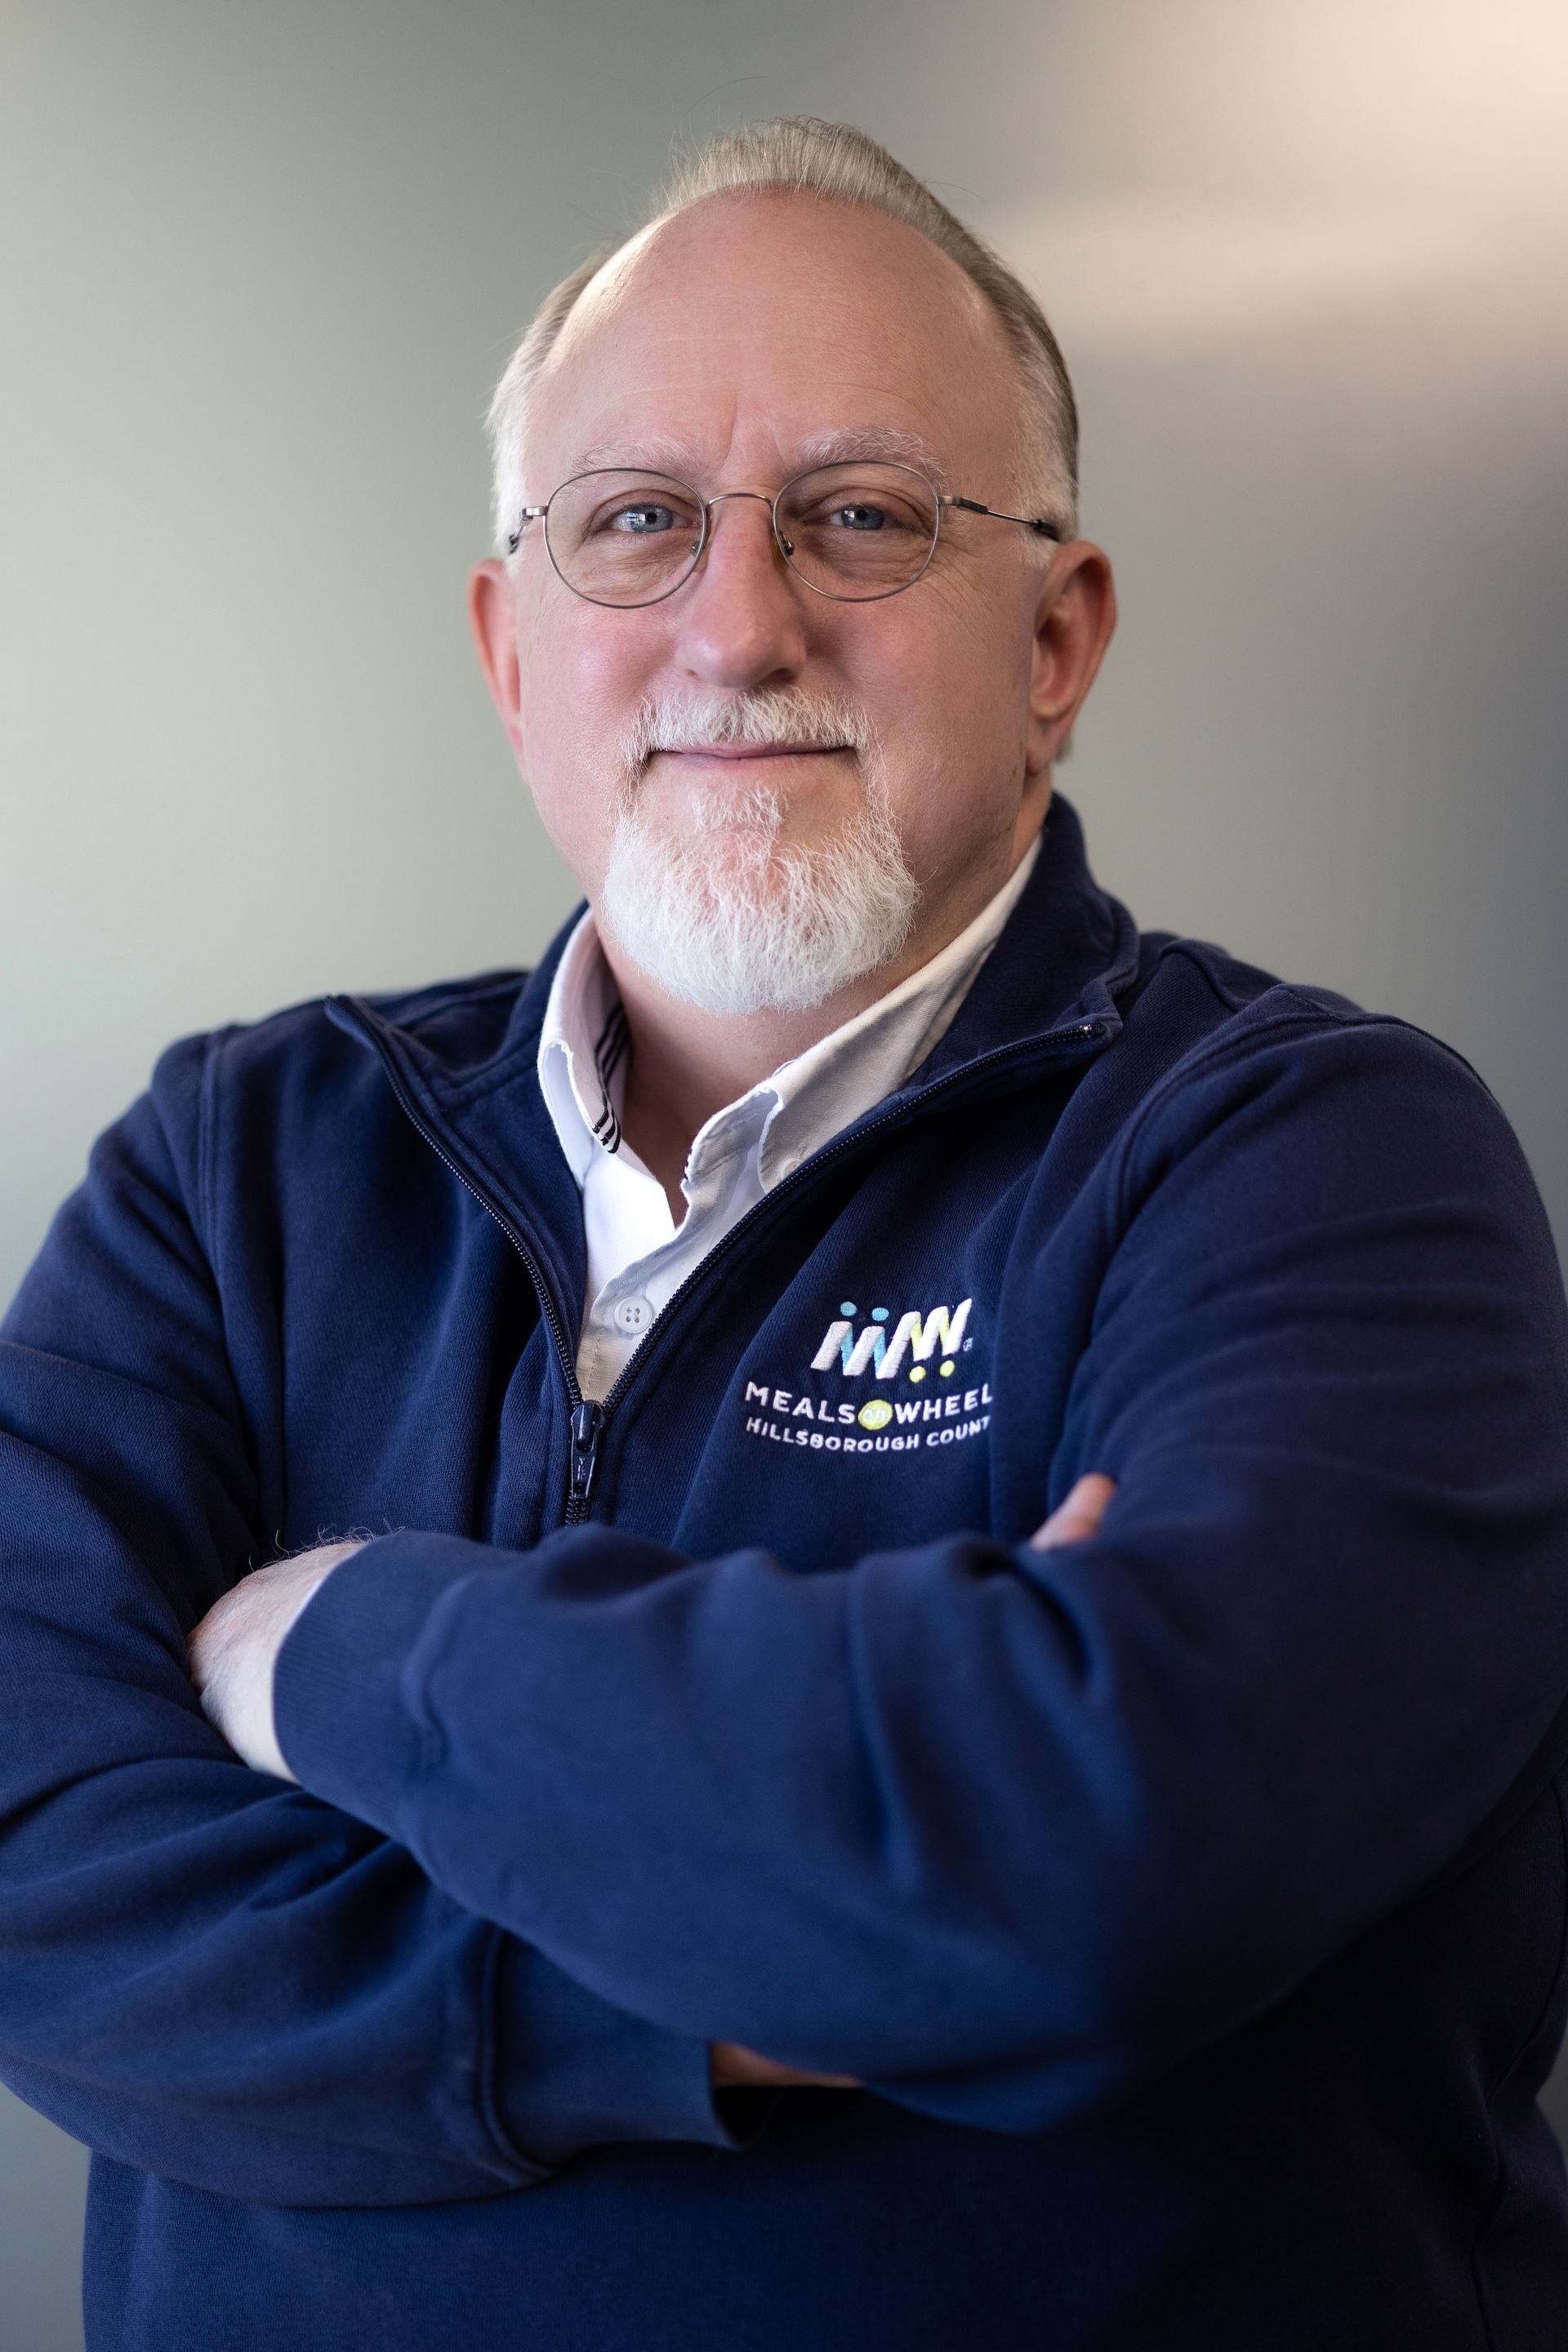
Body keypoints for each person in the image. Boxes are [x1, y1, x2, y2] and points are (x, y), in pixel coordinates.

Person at [1, 115, 1566, 2352]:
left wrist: (331, 1650)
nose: (739, 626)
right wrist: (731, 1985)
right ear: (508, 649)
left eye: (861, 515)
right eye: (638, 525)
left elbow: (1076, 1871)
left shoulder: (1318, 1161)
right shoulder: (242, 1159)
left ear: (1057, 633)